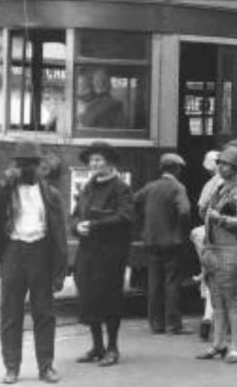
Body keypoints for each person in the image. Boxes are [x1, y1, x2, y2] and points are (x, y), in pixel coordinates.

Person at [0, 142, 67, 385]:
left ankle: (46, 367)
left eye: (30, 164)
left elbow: (59, 233)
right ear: (14, 166)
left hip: (41, 252)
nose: (25, 168)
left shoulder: (50, 193)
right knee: (10, 314)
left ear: (38, 166)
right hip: (14, 252)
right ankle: (11, 368)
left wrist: (60, 270)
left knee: (45, 314)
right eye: (20, 164)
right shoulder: (6, 192)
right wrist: (1, 187)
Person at [72, 142, 134, 368]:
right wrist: (77, 227)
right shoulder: (88, 187)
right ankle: (97, 347)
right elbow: (76, 215)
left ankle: (112, 348)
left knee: (109, 300)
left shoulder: (120, 188)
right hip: (87, 253)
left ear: (109, 162)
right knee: (89, 299)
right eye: (92, 160)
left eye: (99, 160)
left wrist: (95, 224)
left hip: (110, 254)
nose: (95, 164)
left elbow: (126, 218)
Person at [196, 143, 237, 364]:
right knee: (217, 301)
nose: (221, 167)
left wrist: (219, 218)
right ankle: (218, 344)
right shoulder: (220, 189)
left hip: (233, 249)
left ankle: (235, 346)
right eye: (220, 163)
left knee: (234, 301)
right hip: (215, 250)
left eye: (227, 164)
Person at [135, 152, 193, 336]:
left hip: (151, 241)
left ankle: (156, 324)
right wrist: (181, 231)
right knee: (172, 282)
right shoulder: (178, 187)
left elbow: (133, 201)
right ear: (176, 169)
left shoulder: (150, 187)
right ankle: (173, 324)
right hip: (172, 242)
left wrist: (144, 224)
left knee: (154, 283)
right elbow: (184, 212)